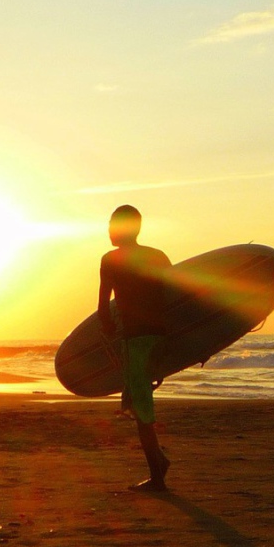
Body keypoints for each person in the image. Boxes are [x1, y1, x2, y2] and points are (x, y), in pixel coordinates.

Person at [98, 205, 172, 492]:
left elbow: (104, 304)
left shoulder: (110, 260)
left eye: (111, 224)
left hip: (135, 340)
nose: (108, 230)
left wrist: (107, 331)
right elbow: (174, 296)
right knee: (136, 400)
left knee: (141, 409)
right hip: (160, 337)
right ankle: (159, 461)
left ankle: (157, 475)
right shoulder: (158, 256)